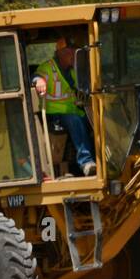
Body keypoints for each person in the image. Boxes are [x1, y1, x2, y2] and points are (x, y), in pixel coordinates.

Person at [35, 34, 97, 176]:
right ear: (61, 53)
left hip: (72, 111)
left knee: (94, 121)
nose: (73, 55)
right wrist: (38, 81)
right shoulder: (47, 67)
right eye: (70, 52)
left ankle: (100, 160)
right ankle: (86, 162)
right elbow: (37, 76)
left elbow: (81, 88)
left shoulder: (73, 71)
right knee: (75, 120)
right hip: (54, 114)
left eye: (75, 52)